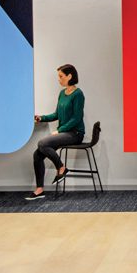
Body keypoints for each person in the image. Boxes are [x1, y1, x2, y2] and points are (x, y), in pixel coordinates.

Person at [25, 64, 85, 201]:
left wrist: (59, 130)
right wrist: (41, 118)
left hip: (75, 134)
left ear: (70, 76)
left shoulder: (78, 94)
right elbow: (57, 114)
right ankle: (39, 189)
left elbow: (77, 118)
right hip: (65, 134)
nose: (59, 79)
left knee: (42, 143)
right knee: (37, 154)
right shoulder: (62, 94)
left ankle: (61, 167)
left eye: (61, 76)